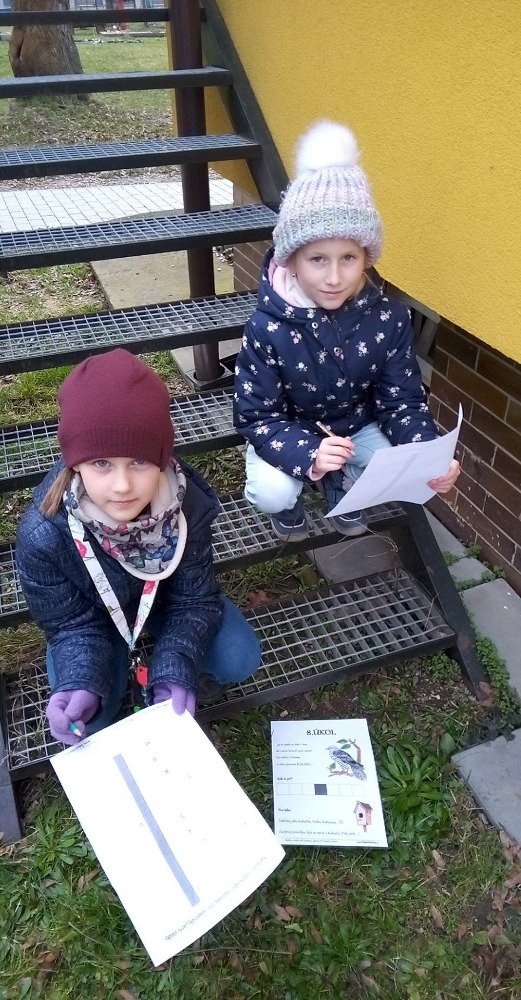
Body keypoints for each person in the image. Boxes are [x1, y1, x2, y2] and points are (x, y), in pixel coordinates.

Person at [16, 349, 260, 746]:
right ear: (75, 463)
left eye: (140, 462)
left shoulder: (185, 506)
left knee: (238, 656)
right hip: (93, 622)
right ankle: (107, 687)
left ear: (162, 459)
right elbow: (69, 624)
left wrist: (175, 668)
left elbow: (194, 600)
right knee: (91, 712)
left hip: (164, 603)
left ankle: (180, 677)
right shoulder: (44, 534)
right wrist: (81, 683)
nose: (122, 486)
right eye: (101, 463)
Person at [233, 120, 460, 540]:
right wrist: (309, 454)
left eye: (349, 258)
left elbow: (402, 400)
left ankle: (342, 480)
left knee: (399, 470)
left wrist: (428, 457)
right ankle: (294, 495)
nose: (335, 278)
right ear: (291, 260)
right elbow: (256, 414)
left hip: (357, 425)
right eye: (318, 259)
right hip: (289, 427)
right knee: (271, 493)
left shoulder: (388, 318)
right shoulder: (267, 327)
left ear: (366, 258)